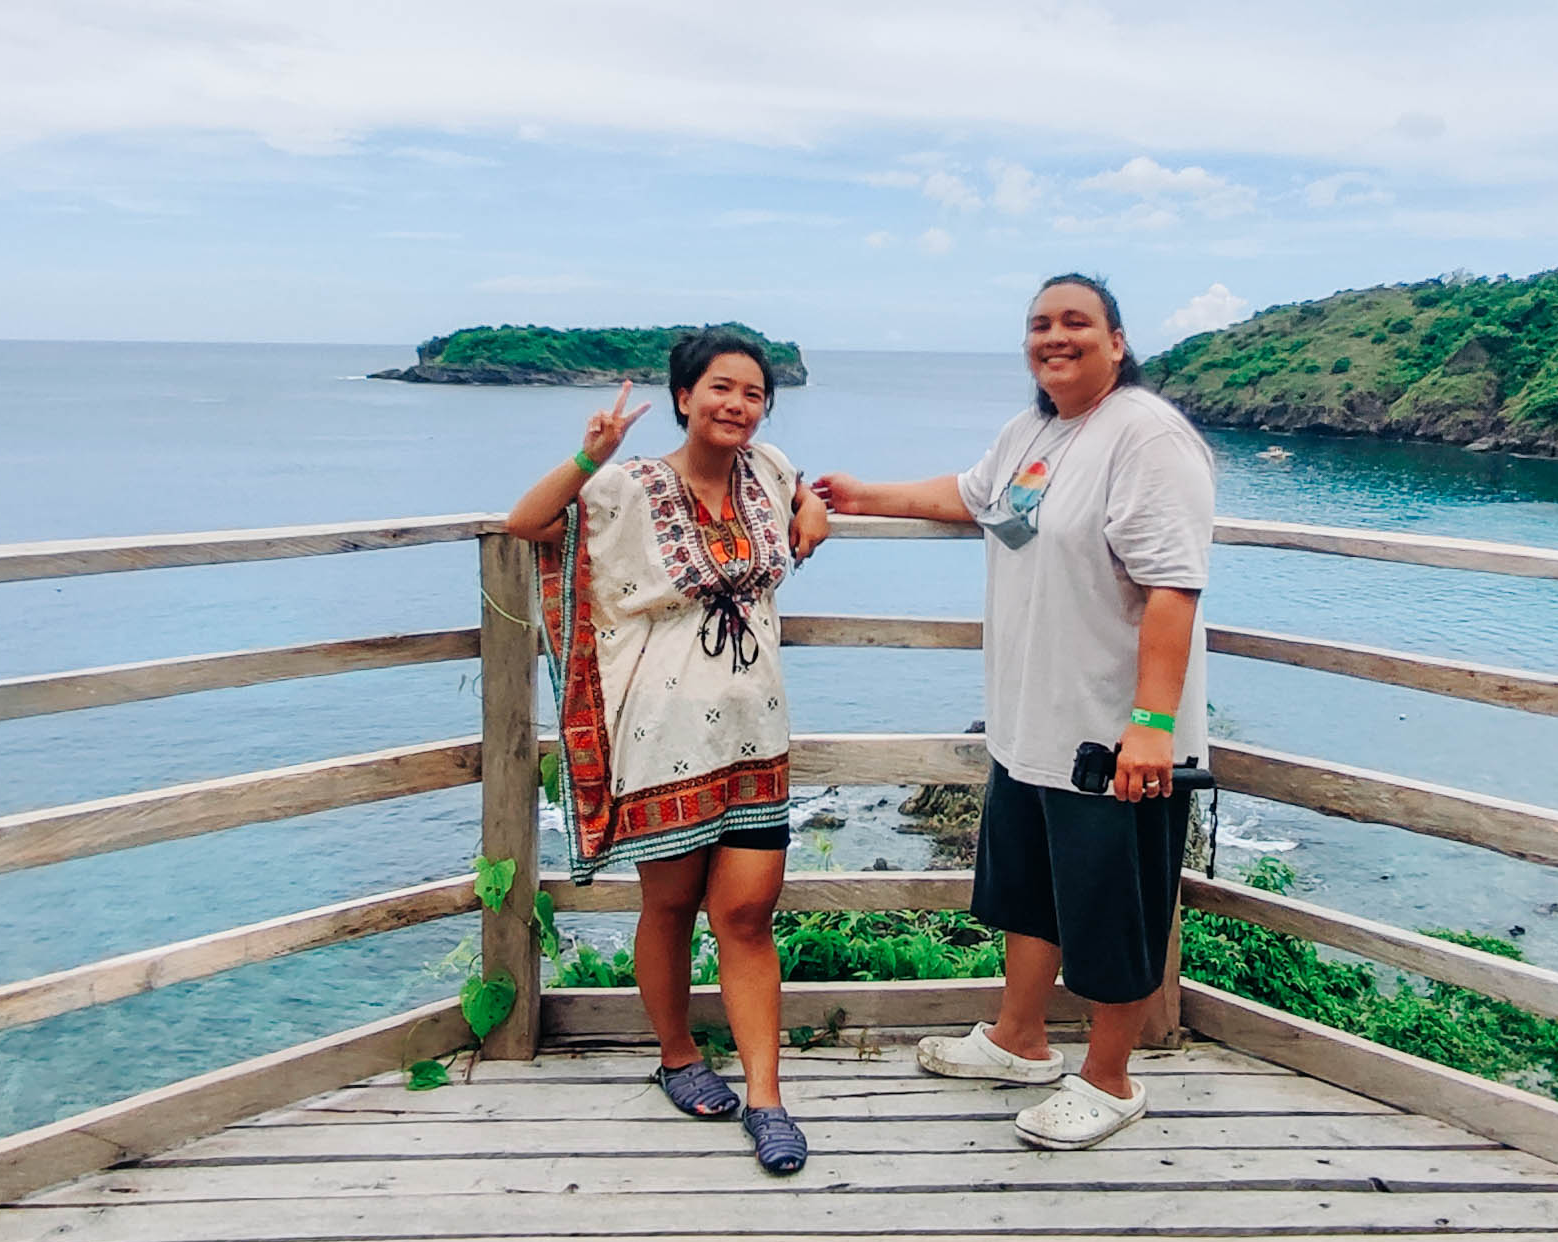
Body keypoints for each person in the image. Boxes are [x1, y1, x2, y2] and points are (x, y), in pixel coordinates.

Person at [813, 274, 1213, 1150]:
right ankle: (1019, 1039)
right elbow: (973, 497)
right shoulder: (1034, 431)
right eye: (1040, 324)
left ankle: (1109, 1078)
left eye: (1076, 322)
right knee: (1030, 893)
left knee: (1115, 907)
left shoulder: (1145, 436)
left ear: (1117, 340)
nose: (1054, 337)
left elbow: (1173, 587)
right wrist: (862, 494)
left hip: (1111, 734)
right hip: (1034, 720)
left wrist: (1151, 726)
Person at [505, 329, 829, 1174]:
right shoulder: (629, 486)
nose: (737, 405)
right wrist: (590, 453)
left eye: (753, 393)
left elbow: (806, 489)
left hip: (758, 735)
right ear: (685, 396)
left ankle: (767, 1098)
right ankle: (679, 1055)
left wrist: (814, 508)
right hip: (664, 737)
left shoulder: (770, 471)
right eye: (721, 387)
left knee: (748, 914)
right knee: (673, 905)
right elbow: (527, 522)